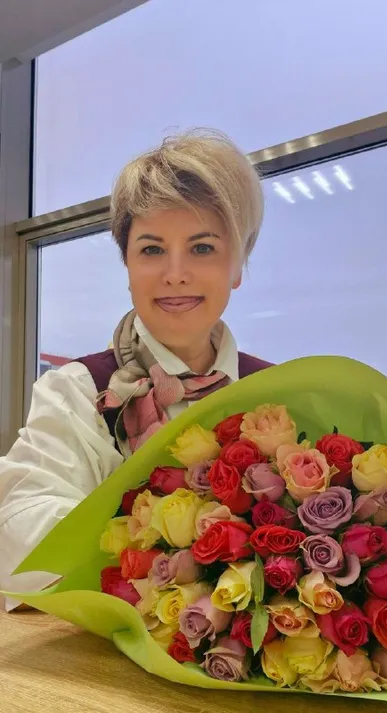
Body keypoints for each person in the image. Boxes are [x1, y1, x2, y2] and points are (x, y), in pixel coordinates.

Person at [0, 130, 272, 610]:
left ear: (237, 264)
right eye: (151, 249)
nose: (175, 273)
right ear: (126, 264)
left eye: (202, 248)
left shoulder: (275, 395)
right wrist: (174, 551)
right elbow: (22, 528)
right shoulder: (78, 389)